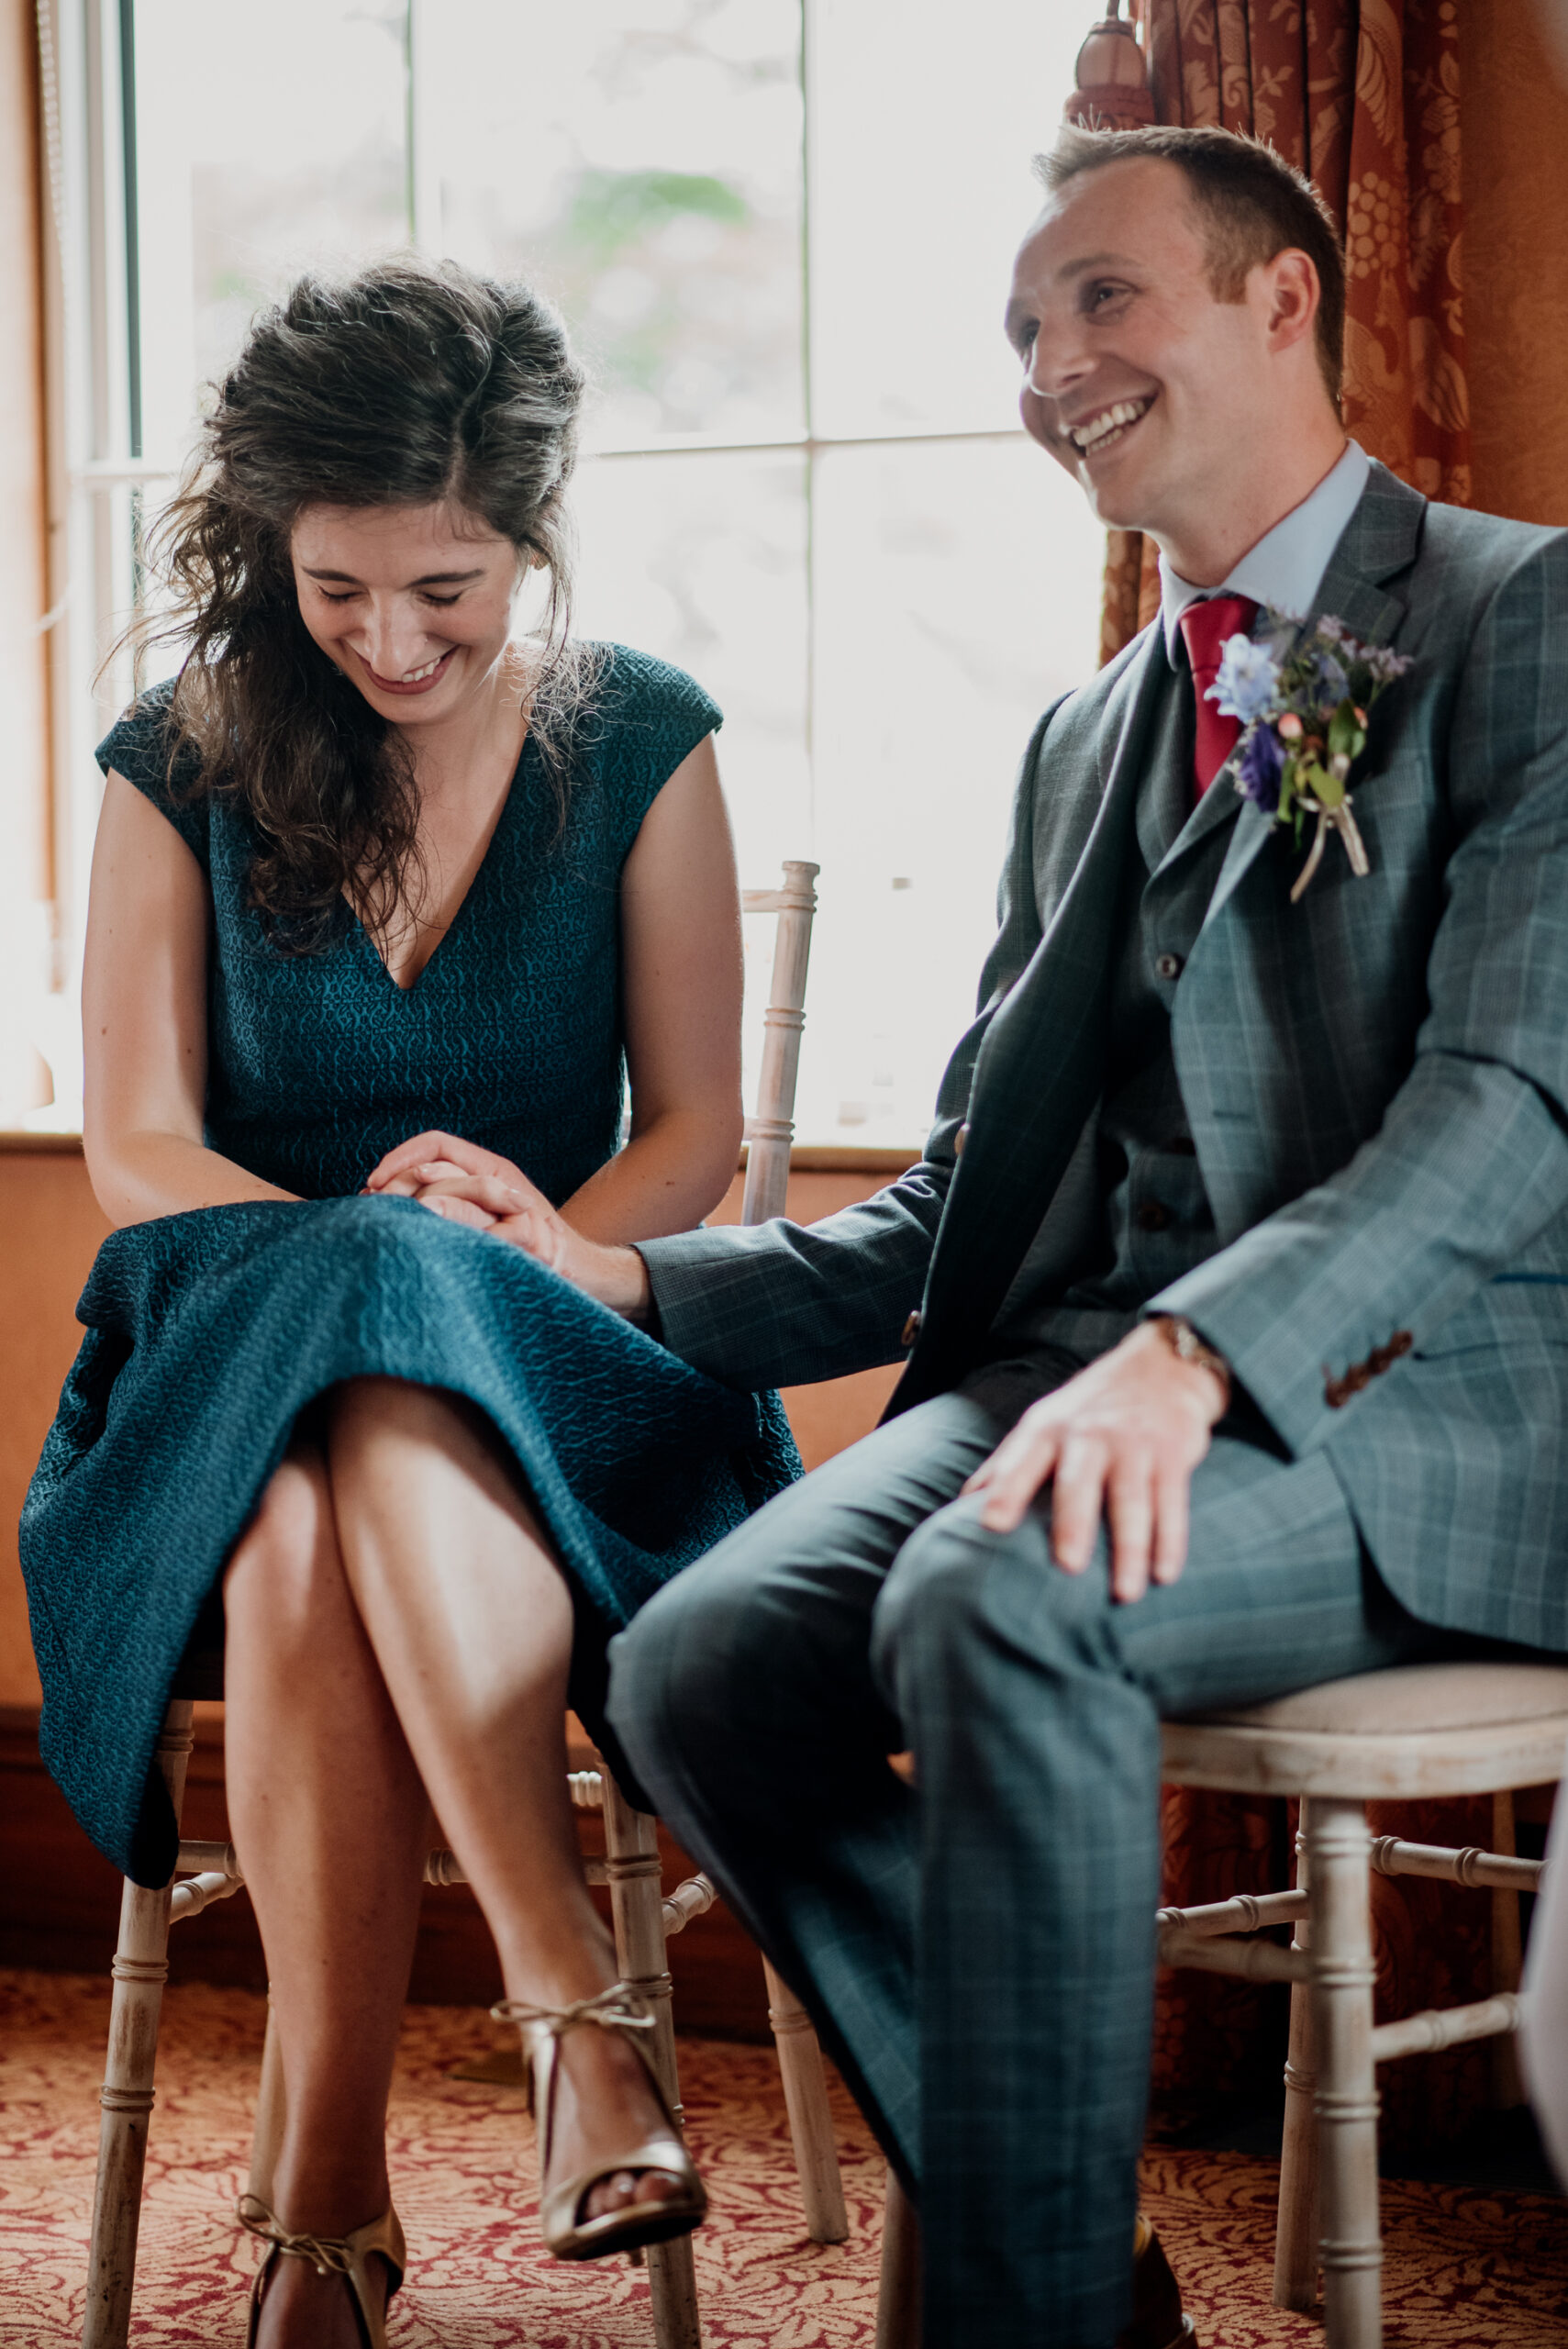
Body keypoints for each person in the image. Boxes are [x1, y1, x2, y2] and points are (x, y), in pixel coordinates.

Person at [405, 125, 1568, 2349]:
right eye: (1024, 328)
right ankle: (1081, 2283)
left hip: (1420, 1398)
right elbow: (965, 1195)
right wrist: (613, 1271)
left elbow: (1510, 1110)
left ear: (1280, 298)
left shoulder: (1529, 614)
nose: (1050, 364)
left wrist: (1200, 1351)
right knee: (697, 1666)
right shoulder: (1081, 734)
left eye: (1102, 300)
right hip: (1072, 1374)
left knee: (988, 1606)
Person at [20, 257, 801, 2349]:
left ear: (528, 536)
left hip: (566, 1376)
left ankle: (323, 2230)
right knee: (341, 1335)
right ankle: (573, 2013)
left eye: (444, 586)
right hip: (218, 1369)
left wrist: (510, 1248)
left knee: (325, 1494)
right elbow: (142, 1152)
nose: (387, 636)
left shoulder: (641, 735)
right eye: (338, 585)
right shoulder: (168, 757)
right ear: (276, 548)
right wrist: (374, 1248)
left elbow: (693, 1138)